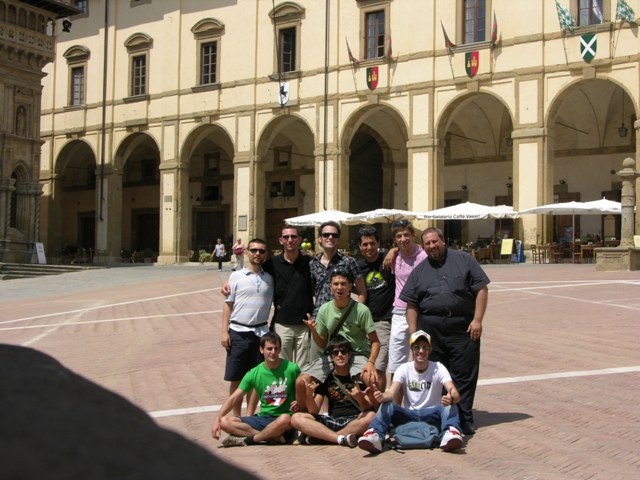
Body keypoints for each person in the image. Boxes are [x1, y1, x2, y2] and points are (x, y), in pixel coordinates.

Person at [401, 227, 489, 435]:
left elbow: (481, 289)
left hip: (462, 327)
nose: (432, 246)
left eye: (435, 241)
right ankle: (443, 416)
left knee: (464, 375)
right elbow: (411, 304)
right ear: (423, 246)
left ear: (443, 241)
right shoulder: (419, 271)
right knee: (436, 375)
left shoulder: (464, 260)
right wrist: (414, 335)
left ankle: (464, 419)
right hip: (432, 329)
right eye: (428, 243)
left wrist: (477, 320)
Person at [357, 330, 464, 453]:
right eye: (417, 347)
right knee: (387, 405)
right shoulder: (403, 368)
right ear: (412, 349)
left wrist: (451, 396)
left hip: (432, 414)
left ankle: (450, 433)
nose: (421, 351)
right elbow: (392, 393)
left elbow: (454, 392)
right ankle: (375, 435)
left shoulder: (438, 367)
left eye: (425, 347)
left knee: (450, 406)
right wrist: (383, 396)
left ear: (430, 350)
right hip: (409, 414)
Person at [295, 269, 380, 412]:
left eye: (343, 284)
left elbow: (375, 342)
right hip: (333, 354)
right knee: (300, 381)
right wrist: (314, 330)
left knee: (371, 379)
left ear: (350, 286)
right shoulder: (324, 309)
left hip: (357, 354)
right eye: (336, 284)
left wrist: (371, 363)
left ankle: (379, 418)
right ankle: (303, 417)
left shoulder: (362, 310)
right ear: (330, 287)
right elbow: (322, 343)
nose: (339, 288)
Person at [211, 331, 300, 447]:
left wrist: (299, 402)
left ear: (279, 350)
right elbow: (234, 398)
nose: (273, 352)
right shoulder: (254, 373)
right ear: (261, 350)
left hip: (284, 419)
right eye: (269, 349)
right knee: (225, 422)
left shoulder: (292, 369)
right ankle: (270, 436)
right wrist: (217, 420)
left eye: (276, 349)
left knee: (285, 419)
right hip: (263, 418)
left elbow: (302, 392)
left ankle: (253, 439)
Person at [291, 336, 376, 447]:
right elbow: (314, 411)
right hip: (333, 420)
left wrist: (360, 399)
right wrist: (309, 395)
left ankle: (327, 438)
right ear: (331, 357)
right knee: (296, 418)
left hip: (354, 420)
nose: (340, 355)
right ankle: (339, 438)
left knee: (371, 416)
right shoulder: (326, 377)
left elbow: (368, 408)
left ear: (349, 355)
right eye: (335, 352)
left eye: (343, 352)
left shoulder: (357, 377)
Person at [221, 238, 274, 417]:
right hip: (239, 332)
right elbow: (228, 304)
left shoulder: (269, 278)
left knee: (256, 378)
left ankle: (250, 416)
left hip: (261, 333)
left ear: (266, 254)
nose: (257, 254)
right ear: (246, 252)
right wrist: (224, 332)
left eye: (261, 251)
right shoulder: (236, 276)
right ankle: (236, 417)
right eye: (254, 250)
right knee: (237, 378)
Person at [263, 225, 314, 368]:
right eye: (286, 237)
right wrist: (229, 283)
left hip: (304, 324)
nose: (290, 240)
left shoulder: (310, 262)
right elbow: (255, 274)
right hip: (282, 324)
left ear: (300, 240)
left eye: (293, 236)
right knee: (282, 366)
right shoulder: (272, 263)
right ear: (281, 240)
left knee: (303, 368)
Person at [386, 219, 427, 377]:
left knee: (421, 355)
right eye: (399, 236)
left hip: (421, 311)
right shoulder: (395, 257)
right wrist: (392, 251)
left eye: (406, 235)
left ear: (413, 235)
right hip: (400, 311)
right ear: (394, 239)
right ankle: (396, 392)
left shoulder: (424, 256)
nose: (403, 239)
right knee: (396, 361)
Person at [357, 226, 395, 391]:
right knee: (367, 367)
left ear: (378, 243)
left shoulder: (389, 260)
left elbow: (413, 249)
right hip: (366, 322)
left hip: (384, 320)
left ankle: (379, 403)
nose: (369, 247)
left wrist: (394, 250)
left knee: (378, 367)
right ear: (360, 247)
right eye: (365, 244)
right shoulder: (358, 267)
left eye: (372, 243)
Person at [309, 221, 366, 319]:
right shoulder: (313, 263)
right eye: (326, 235)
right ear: (320, 239)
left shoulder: (349, 262)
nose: (330, 237)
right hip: (319, 317)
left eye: (334, 235)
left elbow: (362, 292)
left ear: (338, 239)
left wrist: (355, 315)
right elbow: (312, 291)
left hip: (342, 317)